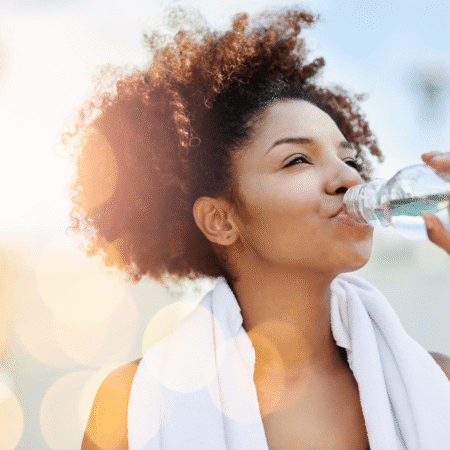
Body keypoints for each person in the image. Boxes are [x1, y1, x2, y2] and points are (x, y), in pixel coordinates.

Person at [65, 8, 450, 450]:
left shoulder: (437, 384)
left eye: (350, 159)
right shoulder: (132, 406)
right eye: (298, 160)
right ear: (221, 220)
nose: (349, 180)